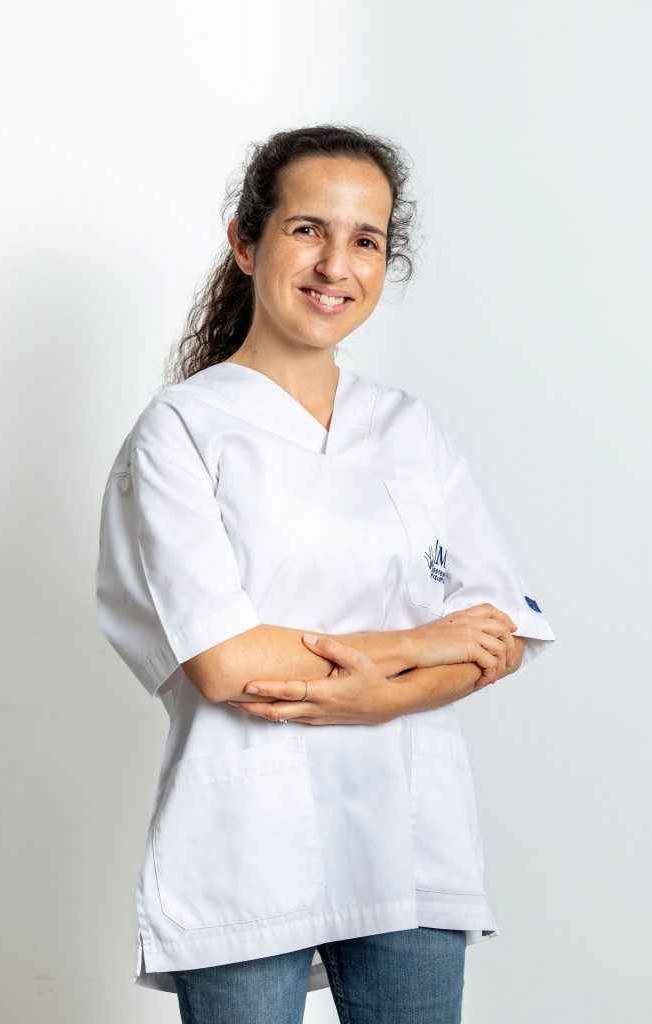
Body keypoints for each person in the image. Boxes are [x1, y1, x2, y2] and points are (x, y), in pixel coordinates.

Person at [95, 124, 556, 1024]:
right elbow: (225, 661)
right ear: (246, 242)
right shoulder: (182, 429)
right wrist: (417, 648)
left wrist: (386, 698)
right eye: (307, 228)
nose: (335, 264)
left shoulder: (407, 429)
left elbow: (498, 634)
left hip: (408, 833)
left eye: (365, 240)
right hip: (249, 839)